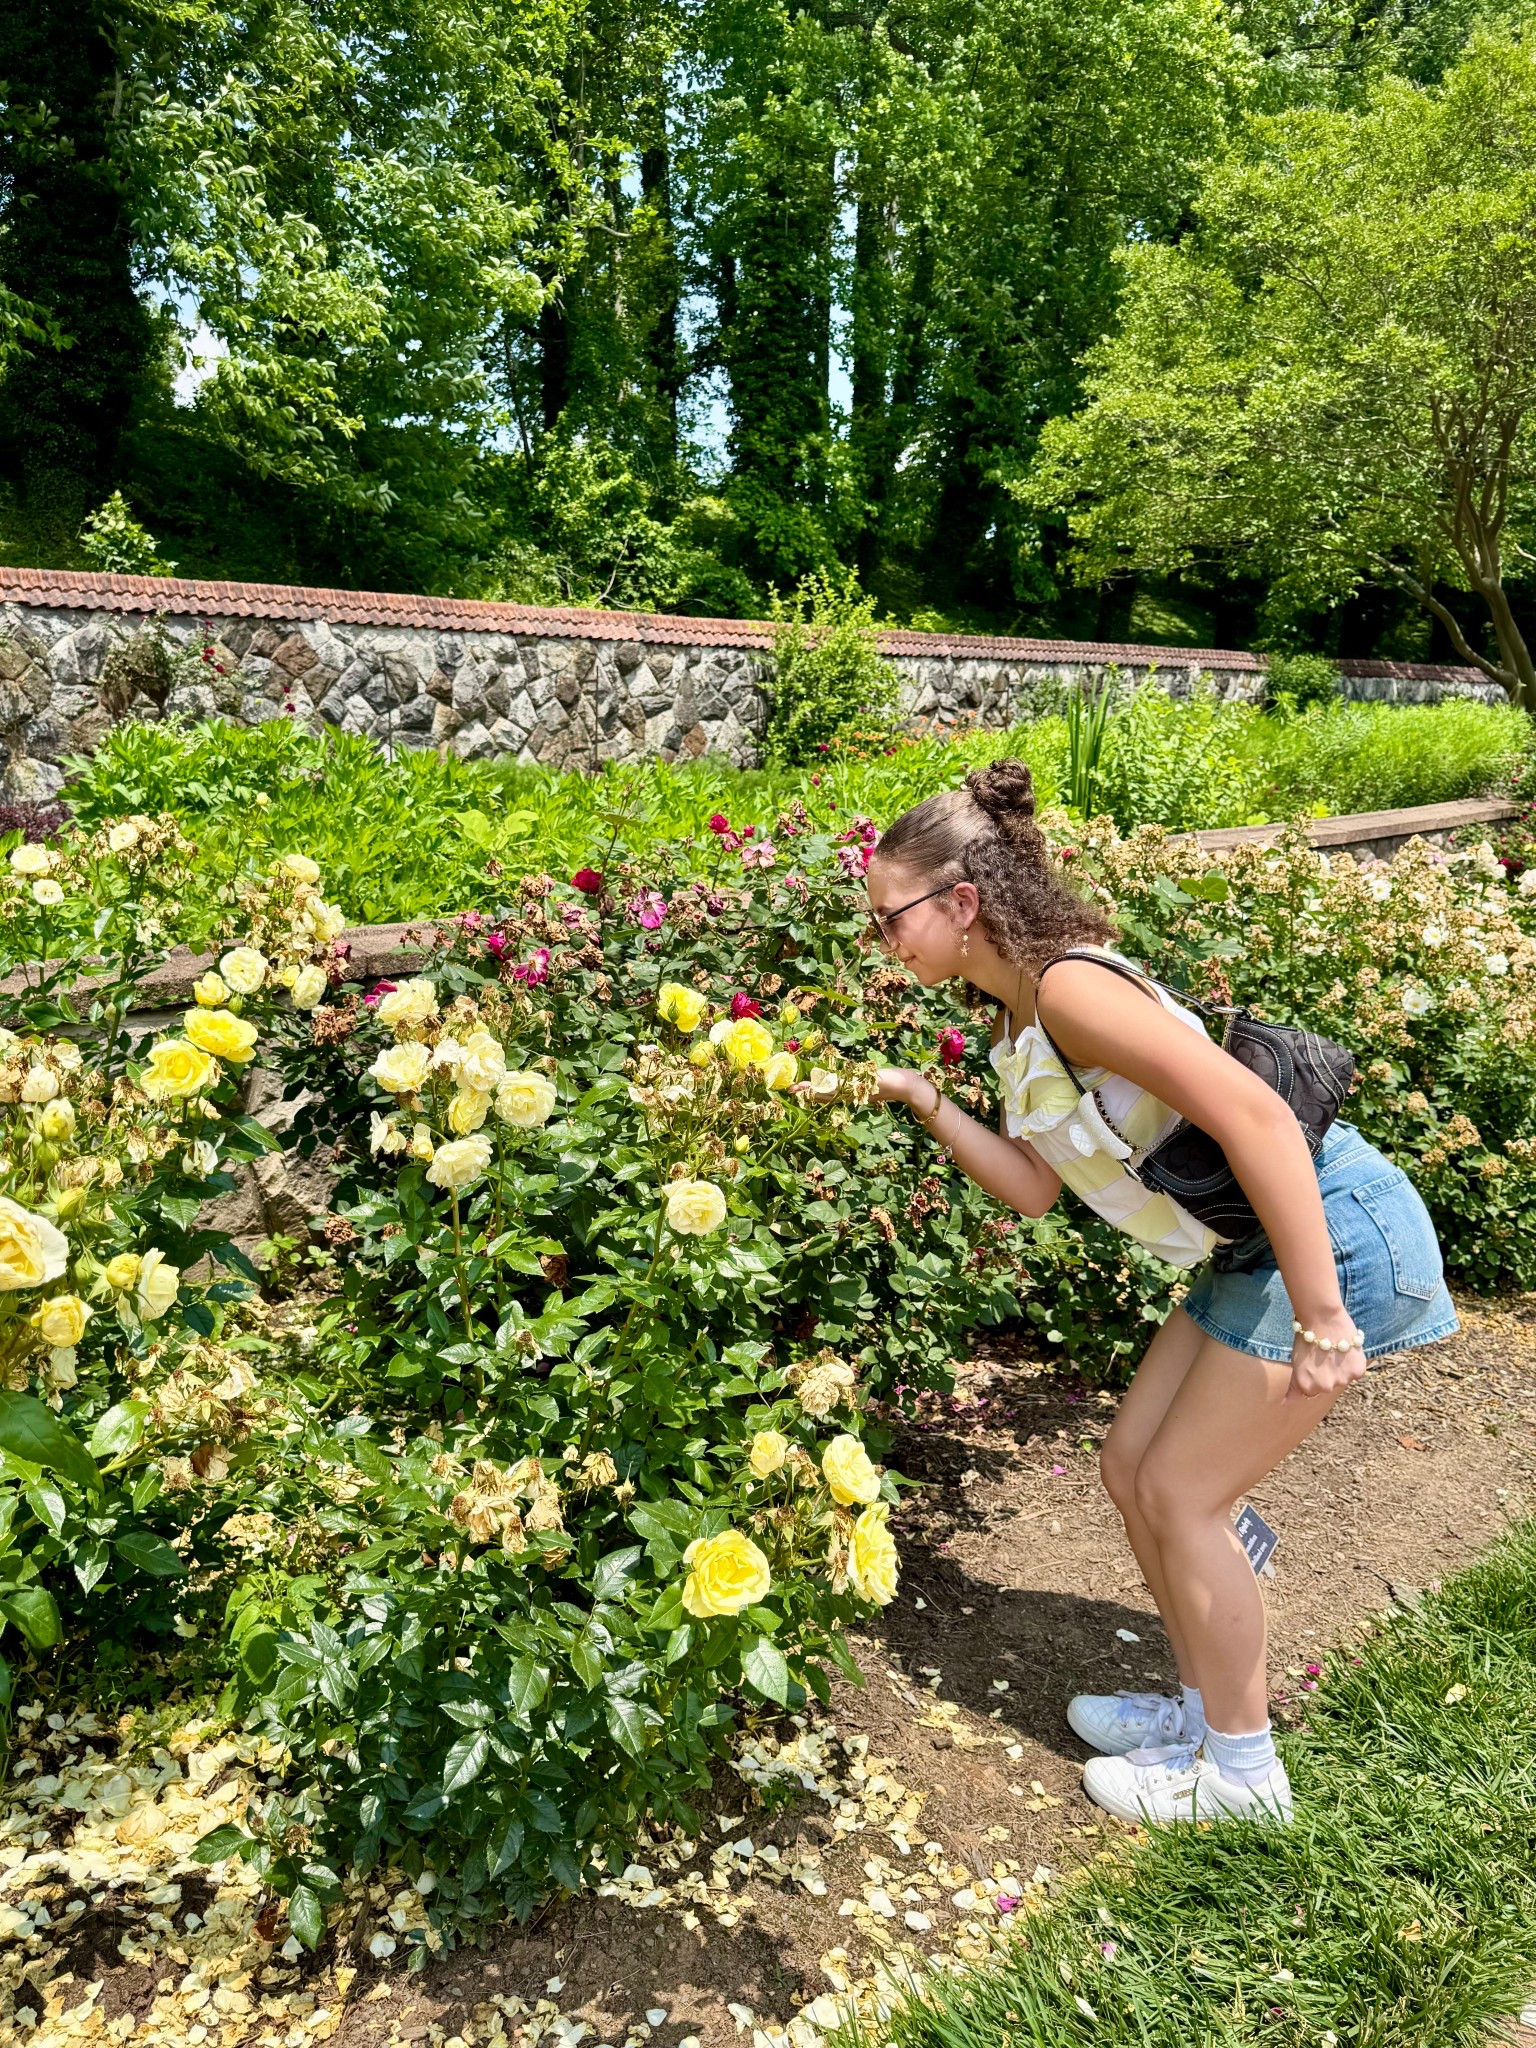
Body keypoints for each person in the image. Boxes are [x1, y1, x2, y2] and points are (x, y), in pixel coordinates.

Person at [866, 759, 1458, 1825]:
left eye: (889, 916)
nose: (882, 939)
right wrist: (924, 1099)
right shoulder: (1015, 1017)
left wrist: (1325, 1314)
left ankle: (1242, 1776)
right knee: (1132, 1464)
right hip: (1253, 1243)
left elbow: (1260, 1117)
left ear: (962, 902)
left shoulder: (1070, 989)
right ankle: (1199, 1714)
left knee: (1184, 1493)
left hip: (1331, 1228)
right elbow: (1036, 1188)